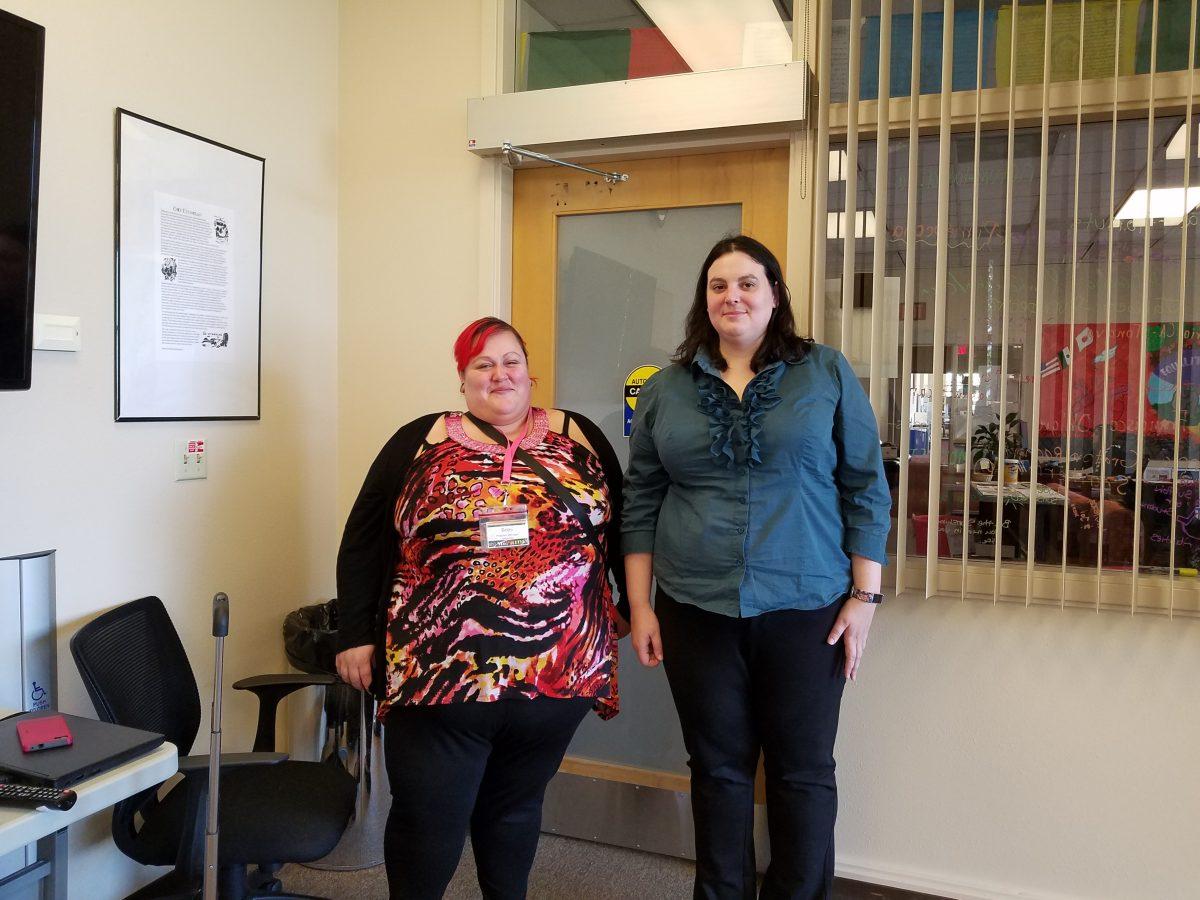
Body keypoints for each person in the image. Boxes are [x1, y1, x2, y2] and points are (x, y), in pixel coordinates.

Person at [623, 235, 891, 899]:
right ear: (703, 300)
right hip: (694, 607)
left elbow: (866, 483)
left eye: (747, 283)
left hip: (807, 608)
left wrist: (865, 596)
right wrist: (640, 604)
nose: (731, 296)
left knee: (801, 773)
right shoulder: (667, 390)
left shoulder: (825, 372)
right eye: (717, 285)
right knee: (717, 772)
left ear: (775, 296)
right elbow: (641, 498)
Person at [335, 317, 628, 900]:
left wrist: (631, 605)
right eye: (483, 365)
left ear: (530, 371)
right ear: (463, 380)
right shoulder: (420, 441)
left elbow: (621, 529)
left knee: (514, 813)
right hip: (438, 678)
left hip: (559, 674)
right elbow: (364, 538)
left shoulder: (581, 437)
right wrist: (353, 633)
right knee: (429, 820)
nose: (500, 374)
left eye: (511, 360)